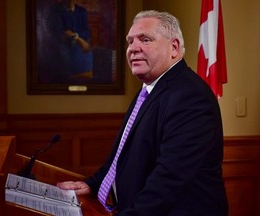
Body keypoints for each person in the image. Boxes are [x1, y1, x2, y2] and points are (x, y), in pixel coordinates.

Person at [57, 10, 228, 215]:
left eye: (145, 39)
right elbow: (123, 154)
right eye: (130, 41)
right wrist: (92, 184)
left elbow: (168, 180)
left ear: (174, 48)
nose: (133, 49)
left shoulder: (190, 97)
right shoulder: (149, 90)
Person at [46, 0, 93, 82]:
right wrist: (79, 39)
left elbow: (87, 32)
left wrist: (77, 36)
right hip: (62, 44)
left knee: (87, 55)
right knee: (65, 57)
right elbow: (58, 33)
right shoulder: (55, 10)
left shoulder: (82, 11)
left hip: (78, 45)